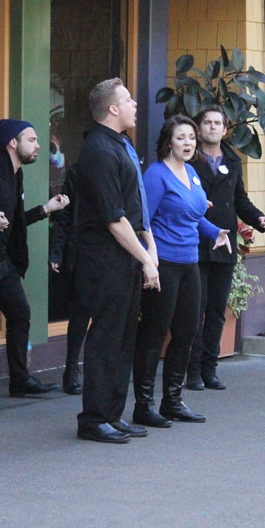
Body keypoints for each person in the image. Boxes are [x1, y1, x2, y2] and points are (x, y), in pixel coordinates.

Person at [74, 78, 160, 444]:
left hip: (125, 258)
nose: (135, 104)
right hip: (105, 259)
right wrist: (147, 259)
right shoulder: (98, 150)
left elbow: (135, 210)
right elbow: (114, 218)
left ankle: (112, 413)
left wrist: (148, 253)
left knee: (125, 337)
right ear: (112, 109)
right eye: (127, 100)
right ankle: (93, 418)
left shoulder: (120, 144)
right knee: (106, 338)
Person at [133, 115, 231, 427]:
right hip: (164, 264)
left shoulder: (191, 172)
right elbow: (142, 218)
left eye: (191, 137)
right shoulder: (156, 174)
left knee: (188, 330)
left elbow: (193, 214)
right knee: (154, 333)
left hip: (191, 262)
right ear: (168, 142)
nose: (188, 143)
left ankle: (172, 400)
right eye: (181, 138)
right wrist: (150, 258)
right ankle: (143, 405)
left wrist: (216, 231)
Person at [0, 119, 69, 401]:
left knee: (20, 314)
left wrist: (46, 209)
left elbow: (14, 221)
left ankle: (20, 380)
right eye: (31, 140)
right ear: (13, 142)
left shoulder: (15, 174)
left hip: (4, 262)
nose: (37, 146)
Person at [185, 105, 265, 391]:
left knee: (217, 310)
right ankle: (192, 371)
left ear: (224, 129)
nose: (211, 127)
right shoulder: (189, 160)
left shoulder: (232, 160)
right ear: (199, 128)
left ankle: (210, 368)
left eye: (217, 123)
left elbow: (239, 200)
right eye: (206, 122)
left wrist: (258, 219)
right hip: (194, 242)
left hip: (224, 243)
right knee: (195, 309)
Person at [49, 162, 87, 395]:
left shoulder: (126, 165)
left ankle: (102, 369)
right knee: (80, 311)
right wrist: (57, 252)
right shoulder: (78, 171)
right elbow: (64, 217)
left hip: (115, 250)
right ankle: (72, 367)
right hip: (82, 250)